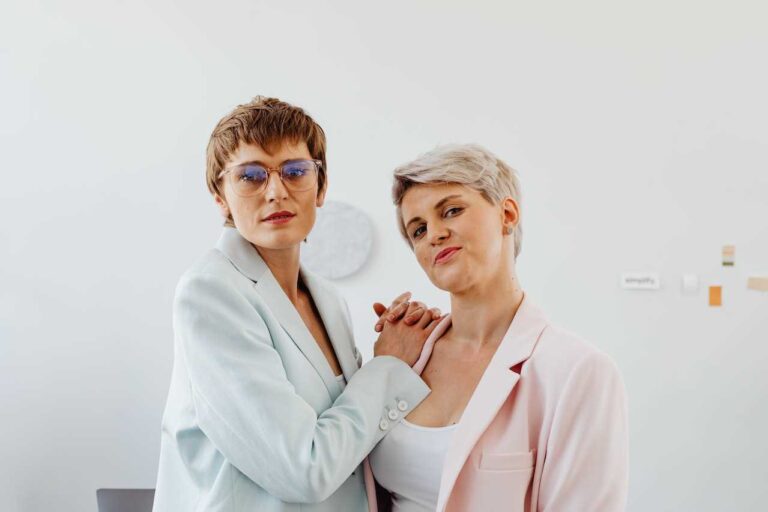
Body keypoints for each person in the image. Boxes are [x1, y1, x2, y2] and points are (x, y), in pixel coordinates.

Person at [153, 96, 443, 511]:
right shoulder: (210, 292)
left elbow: (348, 438)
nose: (276, 192)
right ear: (220, 196)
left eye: (294, 172)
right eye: (250, 176)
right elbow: (304, 470)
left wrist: (402, 347)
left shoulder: (328, 299)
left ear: (320, 187)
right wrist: (388, 366)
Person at [369, 144, 629, 511]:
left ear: (507, 214)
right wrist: (382, 369)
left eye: (452, 211)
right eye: (419, 229)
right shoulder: (404, 357)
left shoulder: (577, 371)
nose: (434, 234)